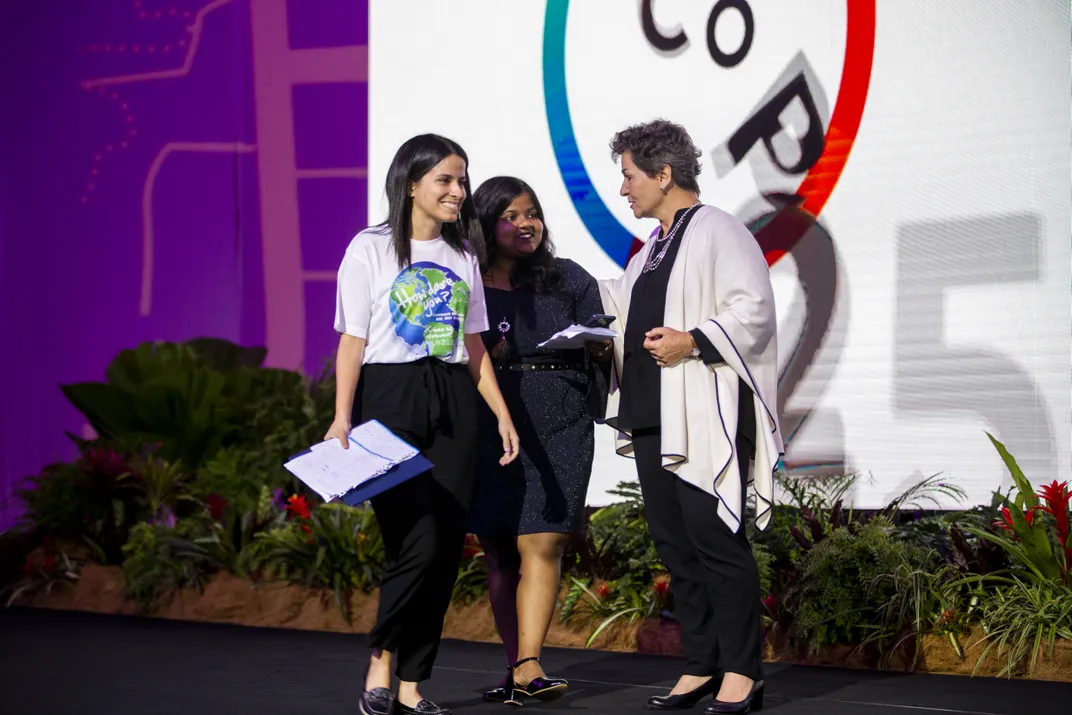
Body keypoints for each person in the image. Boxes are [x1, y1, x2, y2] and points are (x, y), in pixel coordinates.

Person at [327, 134, 520, 715]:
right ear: (412, 183)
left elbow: (474, 344)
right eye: (446, 180)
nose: (459, 192)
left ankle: (411, 682)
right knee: (415, 538)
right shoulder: (370, 248)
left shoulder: (463, 255)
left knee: (443, 547)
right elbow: (352, 341)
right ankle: (381, 657)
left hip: (456, 399)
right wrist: (342, 417)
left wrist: (502, 414)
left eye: (462, 180)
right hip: (391, 398)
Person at [595, 120, 783, 715]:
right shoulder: (651, 248)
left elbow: (752, 311)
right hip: (652, 413)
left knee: (715, 542)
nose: (624, 189)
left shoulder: (719, 230)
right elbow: (621, 305)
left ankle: (742, 672)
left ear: (663, 173)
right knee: (675, 547)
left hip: (700, 411)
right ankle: (701, 664)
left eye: (628, 176)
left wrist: (693, 341)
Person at [466, 176, 611, 706]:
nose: (526, 224)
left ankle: (529, 663)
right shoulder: (468, 282)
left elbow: (603, 338)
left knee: (543, 541)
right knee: (500, 550)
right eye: (510, 215)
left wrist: (597, 350)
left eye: (532, 213)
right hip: (494, 419)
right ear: (486, 223)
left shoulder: (568, 278)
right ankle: (517, 665)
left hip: (561, 418)